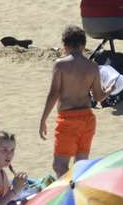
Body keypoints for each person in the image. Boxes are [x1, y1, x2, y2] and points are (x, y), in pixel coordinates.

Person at [40, 25, 105, 177]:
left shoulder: (60, 65)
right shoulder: (93, 67)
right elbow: (98, 97)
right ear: (84, 45)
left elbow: (53, 93)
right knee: (81, 166)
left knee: (59, 165)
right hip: (87, 119)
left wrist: (43, 119)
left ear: (65, 45)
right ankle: (78, 196)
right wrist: (108, 91)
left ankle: (69, 193)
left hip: (68, 120)